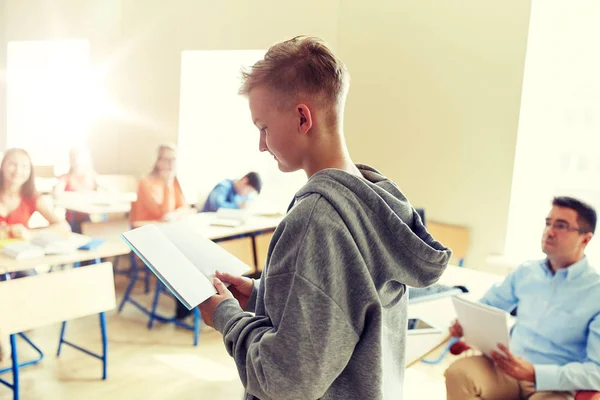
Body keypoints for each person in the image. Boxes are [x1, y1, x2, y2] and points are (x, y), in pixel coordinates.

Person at [197, 36, 451, 400]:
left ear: (303, 117)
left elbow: (286, 380)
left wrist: (226, 318)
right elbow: (343, 311)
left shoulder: (315, 219)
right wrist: (259, 296)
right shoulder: (375, 202)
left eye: (263, 127)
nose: (261, 145)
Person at [444, 196, 600, 400]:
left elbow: (596, 371)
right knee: (459, 373)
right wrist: (466, 323)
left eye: (561, 226)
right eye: (548, 223)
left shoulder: (595, 292)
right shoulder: (526, 272)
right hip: (507, 368)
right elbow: (486, 306)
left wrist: (535, 373)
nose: (549, 232)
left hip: (553, 385)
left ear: (585, 239)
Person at [0, 148, 71, 280]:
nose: (18, 171)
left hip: (18, 260)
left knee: (34, 284)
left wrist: (30, 233)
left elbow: (63, 227)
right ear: (2, 165)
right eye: (13, 164)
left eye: (24, 166)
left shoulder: (32, 198)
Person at [130, 144, 192, 224]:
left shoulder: (174, 179)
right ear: (158, 161)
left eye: (173, 159)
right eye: (167, 160)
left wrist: (175, 215)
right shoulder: (145, 182)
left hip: (167, 227)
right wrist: (167, 185)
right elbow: (163, 214)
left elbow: (185, 208)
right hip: (148, 228)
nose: (171, 163)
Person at [53, 145, 99, 233]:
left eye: (80, 158)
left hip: (89, 219)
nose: (77, 161)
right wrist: (80, 195)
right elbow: (56, 194)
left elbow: (103, 193)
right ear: (70, 160)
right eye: (73, 158)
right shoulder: (65, 178)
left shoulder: (92, 177)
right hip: (71, 221)